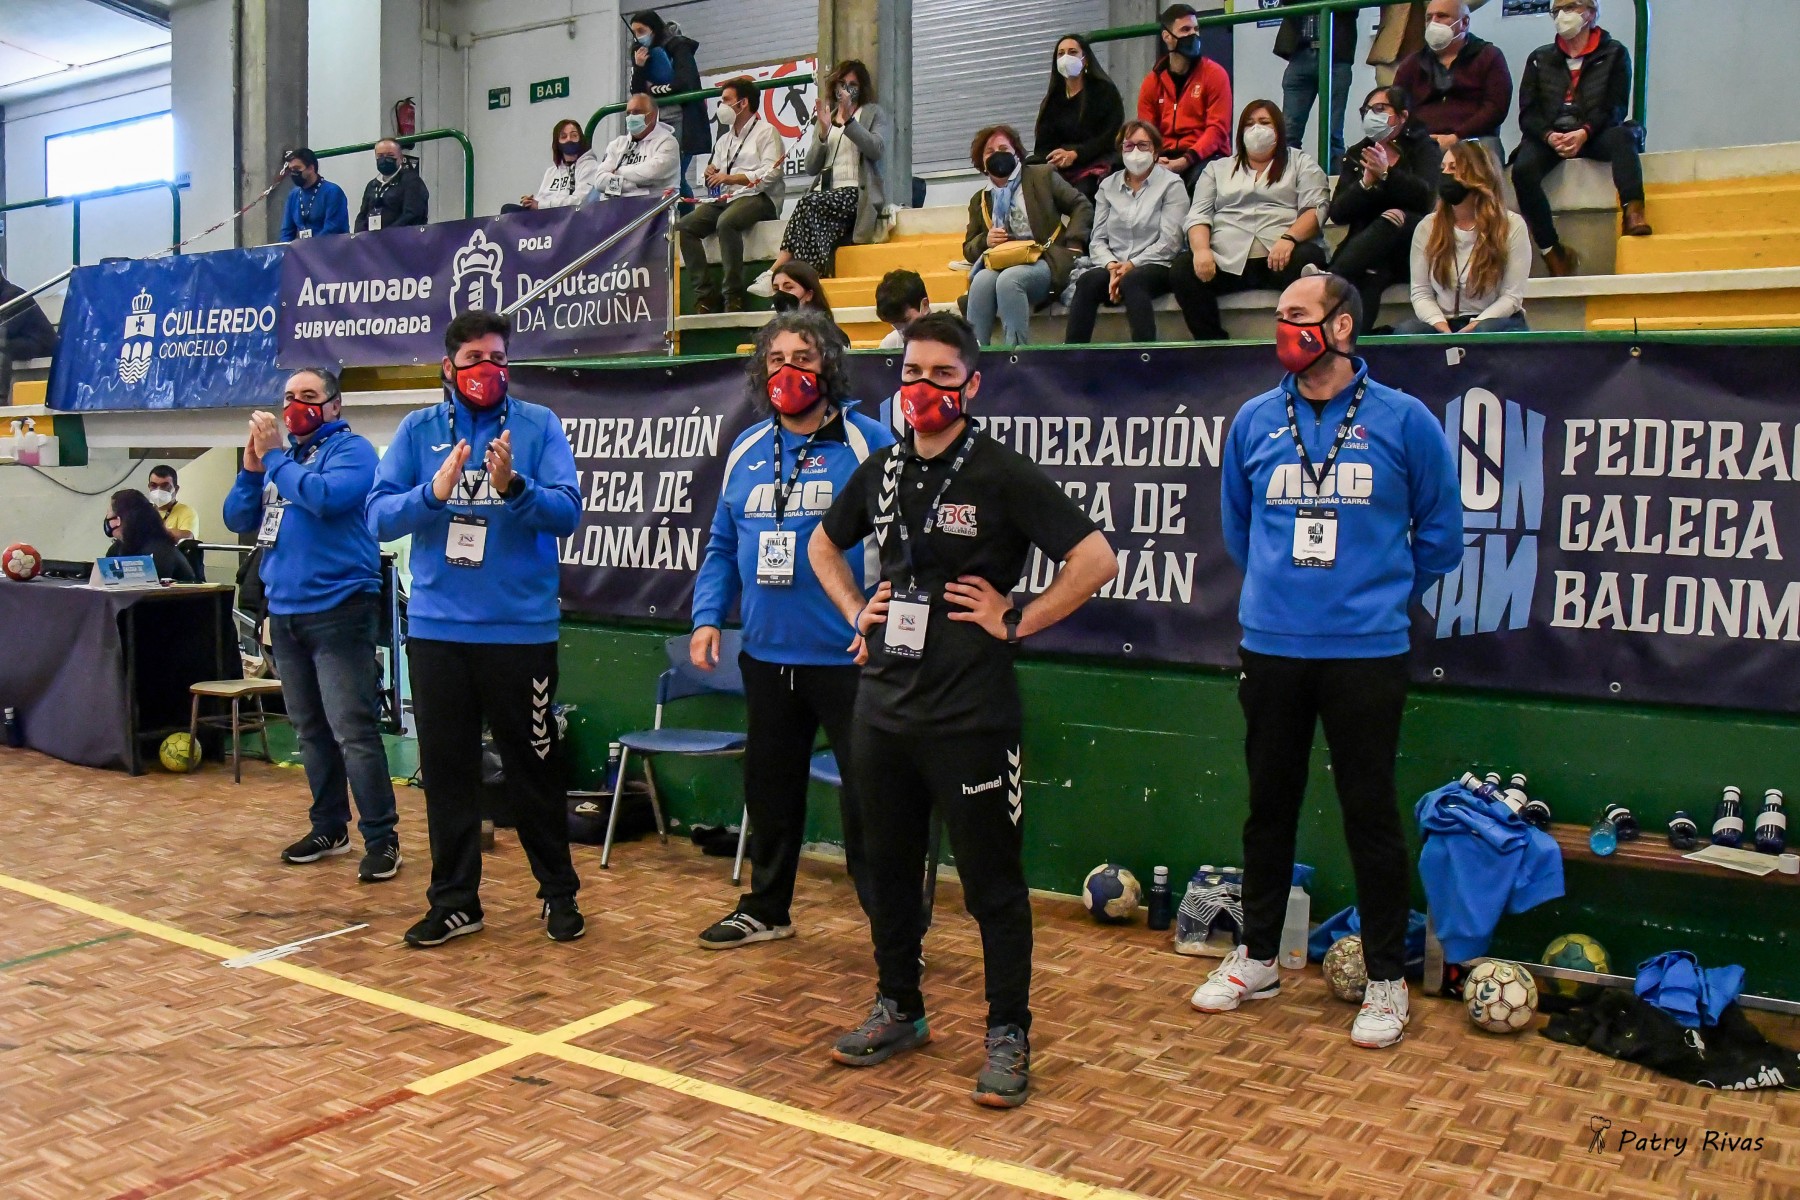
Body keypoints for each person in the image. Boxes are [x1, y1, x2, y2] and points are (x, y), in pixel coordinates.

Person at [809, 312, 1117, 1109]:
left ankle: (1008, 1033)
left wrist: (1018, 619)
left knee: (991, 887)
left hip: (972, 715)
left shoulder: (1001, 473)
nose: (924, 388)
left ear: (972, 385)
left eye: (943, 376)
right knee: (886, 872)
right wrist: (856, 609)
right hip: (884, 707)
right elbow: (821, 545)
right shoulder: (880, 470)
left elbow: (1095, 559)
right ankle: (898, 1007)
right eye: (913, 373)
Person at [1195, 273, 1461, 1050]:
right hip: (1271, 646)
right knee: (1268, 807)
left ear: (1342, 326)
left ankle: (1386, 980)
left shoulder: (1404, 420)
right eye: (1279, 316)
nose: (1283, 329)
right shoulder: (1254, 419)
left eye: (1298, 316)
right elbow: (1239, 530)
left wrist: (1374, 594)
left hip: (1367, 651)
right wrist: (1284, 592)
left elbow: (1441, 535)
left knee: (1369, 812)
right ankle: (1257, 958)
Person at [366, 310, 586, 948]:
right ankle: (456, 901)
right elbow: (378, 517)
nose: (487, 370)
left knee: (534, 769)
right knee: (447, 772)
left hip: (520, 633)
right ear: (448, 367)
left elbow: (567, 513)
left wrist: (515, 487)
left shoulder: (538, 426)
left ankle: (559, 894)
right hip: (439, 634)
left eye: (498, 359)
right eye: (473, 360)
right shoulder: (418, 430)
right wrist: (430, 495)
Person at [689, 311, 896, 950]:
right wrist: (706, 617)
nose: (788, 371)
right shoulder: (747, 447)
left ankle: (894, 930)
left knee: (872, 802)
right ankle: (766, 909)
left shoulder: (869, 443)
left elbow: (904, 546)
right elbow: (722, 545)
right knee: (771, 790)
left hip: (850, 658)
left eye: (802, 358)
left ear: (828, 364)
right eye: (776, 359)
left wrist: (881, 620)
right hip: (767, 654)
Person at [222, 369, 400, 881]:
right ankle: (329, 827)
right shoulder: (283, 461)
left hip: (341, 610)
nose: (296, 405)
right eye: (289, 397)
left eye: (309, 396)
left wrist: (275, 458)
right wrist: (251, 470)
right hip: (286, 613)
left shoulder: (353, 452)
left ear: (335, 406)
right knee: (310, 730)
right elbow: (238, 518)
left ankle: (383, 840)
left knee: (353, 730)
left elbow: (324, 498)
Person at [1512, 0, 1651, 277]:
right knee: (1523, 170)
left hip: (1594, 132)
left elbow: (1615, 107)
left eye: (1571, 7)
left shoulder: (1614, 53)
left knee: (1623, 137)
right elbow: (1528, 113)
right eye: (1557, 10)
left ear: (1591, 13)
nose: (1562, 15)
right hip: (1551, 136)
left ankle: (1633, 211)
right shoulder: (1539, 58)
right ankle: (1552, 251)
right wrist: (1548, 135)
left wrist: (1585, 131)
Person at [1170, 102, 1328, 342]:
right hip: (1226, 261)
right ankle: (1213, 344)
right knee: (1183, 268)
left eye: (1264, 123)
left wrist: (1289, 238)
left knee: (1310, 258)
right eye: (1249, 124)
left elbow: (1315, 209)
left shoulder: (1301, 163)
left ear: (1278, 129)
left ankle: (1301, 342)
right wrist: (1201, 250)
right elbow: (1198, 215)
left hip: (1281, 258)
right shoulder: (1217, 169)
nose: (1256, 129)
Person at [757, 61, 892, 284]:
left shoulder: (872, 113)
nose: (846, 89)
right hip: (826, 193)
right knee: (807, 217)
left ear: (861, 88)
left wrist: (849, 121)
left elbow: (876, 149)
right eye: (842, 83)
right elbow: (811, 167)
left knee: (806, 204)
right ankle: (802, 281)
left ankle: (778, 272)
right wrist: (822, 132)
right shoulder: (828, 116)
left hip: (854, 193)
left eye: (853, 84)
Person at [961, 125, 1092, 347]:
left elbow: (1081, 205)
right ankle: (973, 354)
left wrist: (1074, 243)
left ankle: (1016, 354)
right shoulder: (980, 199)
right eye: (990, 152)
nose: (997, 155)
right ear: (981, 162)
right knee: (981, 281)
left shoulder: (1042, 176)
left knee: (1009, 280)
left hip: (1045, 259)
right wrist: (986, 240)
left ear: (1017, 153)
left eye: (1004, 149)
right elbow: (968, 248)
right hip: (1003, 261)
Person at [1328, 87, 1442, 329]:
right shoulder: (1357, 153)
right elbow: (1337, 213)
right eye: (1367, 110)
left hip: (1408, 242)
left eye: (1380, 109)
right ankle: (1357, 340)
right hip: (1366, 250)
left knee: (1393, 216)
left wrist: (1387, 174)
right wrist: (1365, 184)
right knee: (1370, 274)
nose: (1371, 115)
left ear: (1402, 116)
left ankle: (1330, 279)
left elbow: (1425, 199)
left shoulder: (1423, 147)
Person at [1065, 121, 1186, 345]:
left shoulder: (1172, 184)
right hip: (1115, 265)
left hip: (1156, 265)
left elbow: (1171, 241)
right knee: (1088, 281)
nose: (1135, 152)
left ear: (1156, 151)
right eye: (1129, 146)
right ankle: (1073, 356)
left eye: (1143, 145)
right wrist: (1112, 266)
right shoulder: (1107, 186)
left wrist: (1131, 265)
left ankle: (1144, 355)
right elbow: (1097, 240)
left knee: (1133, 281)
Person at [1399, 141, 1531, 333]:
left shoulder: (1512, 225)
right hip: (1445, 323)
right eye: (1443, 168)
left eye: (1453, 168)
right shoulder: (1427, 226)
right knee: (1408, 332)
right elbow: (1421, 293)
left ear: (1478, 175)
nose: (1445, 175)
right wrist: (1443, 329)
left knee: (1483, 332)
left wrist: (1471, 328)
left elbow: (1511, 297)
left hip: (1493, 321)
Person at [680, 77, 786, 313]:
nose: (721, 106)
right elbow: (718, 174)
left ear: (743, 103)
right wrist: (711, 173)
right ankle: (706, 295)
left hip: (760, 197)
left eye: (726, 100)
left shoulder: (766, 132)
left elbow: (771, 173)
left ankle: (733, 295)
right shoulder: (724, 140)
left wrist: (732, 178)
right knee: (684, 227)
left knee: (726, 223)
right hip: (728, 199)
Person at [1137, 4, 1233, 190]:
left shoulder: (1215, 74)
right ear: (1167, 37)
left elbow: (1217, 130)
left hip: (1205, 156)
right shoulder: (1151, 82)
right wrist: (1153, 158)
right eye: (1185, 30)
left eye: (1196, 29)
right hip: (1164, 157)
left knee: (1199, 182)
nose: (1193, 35)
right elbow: (1146, 131)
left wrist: (1186, 160)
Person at [1393, 1, 1512, 150]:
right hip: (1422, 141)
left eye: (1442, 16)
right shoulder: (1412, 63)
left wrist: (1457, 136)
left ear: (1464, 22)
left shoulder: (1489, 56)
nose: (1434, 23)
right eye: (1429, 18)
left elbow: (1496, 108)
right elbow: (1397, 105)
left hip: (1474, 139)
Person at [1031, 33, 1125, 200]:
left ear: (1085, 59)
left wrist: (1076, 154)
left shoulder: (1104, 91)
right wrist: (1055, 158)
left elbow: (1110, 136)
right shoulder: (1052, 100)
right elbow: (1043, 144)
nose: (1066, 58)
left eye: (1072, 52)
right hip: (1060, 166)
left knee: (1082, 191)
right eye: (1061, 54)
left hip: (1096, 161)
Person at [628, 9, 707, 202]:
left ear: (653, 28)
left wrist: (652, 90)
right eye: (634, 32)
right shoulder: (639, 53)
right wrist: (639, 67)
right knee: (659, 178)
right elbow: (637, 93)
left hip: (683, 118)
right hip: (654, 122)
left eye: (641, 31)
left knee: (676, 175)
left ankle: (685, 216)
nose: (638, 37)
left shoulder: (678, 46)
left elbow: (684, 83)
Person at [1274, 0, 1358, 170]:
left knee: (1333, 133)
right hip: (1300, 53)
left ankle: (1334, 183)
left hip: (1336, 56)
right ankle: (1288, 180)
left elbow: (1352, 6)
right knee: (1289, 132)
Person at [591, 95, 681, 197]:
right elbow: (600, 182)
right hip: (619, 205)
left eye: (637, 112)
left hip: (657, 205)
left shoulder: (667, 142)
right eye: (628, 113)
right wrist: (633, 186)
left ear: (653, 115)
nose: (631, 117)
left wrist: (619, 171)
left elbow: (652, 172)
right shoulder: (617, 144)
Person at [507, 120, 600, 213]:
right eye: (563, 136)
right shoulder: (551, 172)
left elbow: (579, 201)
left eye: (574, 135)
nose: (569, 139)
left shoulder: (590, 166)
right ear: (557, 143)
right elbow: (541, 199)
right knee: (508, 209)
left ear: (581, 139)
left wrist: (540, 205)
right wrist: (531, 202)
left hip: (573, 216)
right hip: (547, 217)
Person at [104, 489, 197, 582]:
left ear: (118, 520)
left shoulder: (160, 551)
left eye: (108, 513)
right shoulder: (117, 549)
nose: (106, 518)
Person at [354, 138, 429, 233]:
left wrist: (387, 234)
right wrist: (361, 236)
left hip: (402, 238)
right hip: (372, 239)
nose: (384, 159)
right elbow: (362, 215)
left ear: (401, 158)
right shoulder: (372, 185)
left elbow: (413, 215)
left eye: (390, 155)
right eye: (380, 156)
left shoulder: (412, 182)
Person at [279, 148, 350, 242]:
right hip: (303, 249)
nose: (293, 173)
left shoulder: (332, 192)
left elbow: (333, 229)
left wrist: (309, 246)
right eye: (291, 170)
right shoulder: (293, 195)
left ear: (311, 168)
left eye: (297, 169)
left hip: (331, 247)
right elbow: (286, 232)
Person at [875, 270, 930, 349]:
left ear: (925, 305)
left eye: (906, 320)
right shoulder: (889, 345)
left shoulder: (947, 340)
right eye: (895, 324)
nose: (903, 331)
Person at [146, 464, 198, 540]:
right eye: (153, 485)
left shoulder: (186, 511)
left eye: (165, 486)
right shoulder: (144, 512)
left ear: (176, 490)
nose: (158, 490)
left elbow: (188, 537)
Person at [771, 261, 835, 322]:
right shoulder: (771, 328)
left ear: (809, 294)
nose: (780, 293)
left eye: (788, 287)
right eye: (776, 289)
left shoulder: (824, 328)